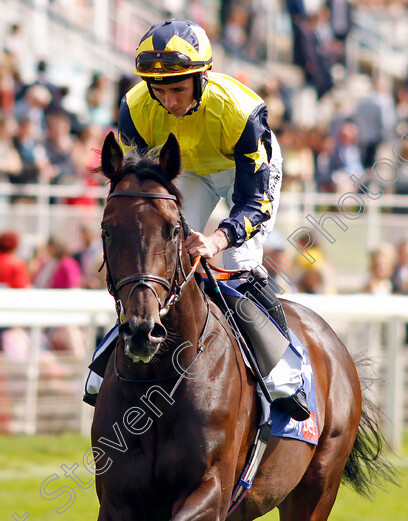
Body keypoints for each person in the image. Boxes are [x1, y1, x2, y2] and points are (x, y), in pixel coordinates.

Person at [84, 18, 309, 421]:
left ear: (202, 77)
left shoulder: (241, 111)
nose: (167, 101)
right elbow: (141, 188)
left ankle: (283, 366)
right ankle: (120, 346)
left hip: (242, 173)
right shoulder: (134, 110)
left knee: (238, 263)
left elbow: (255, 203)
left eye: (177, 89)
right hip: (187, 170)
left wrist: (218, 240)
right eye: (160, 90)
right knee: (159, 257)